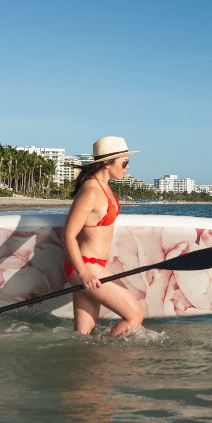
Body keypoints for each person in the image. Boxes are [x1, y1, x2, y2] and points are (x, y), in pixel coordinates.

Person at [63, 135, 144, 337]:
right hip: (86, 266)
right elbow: (68, 234)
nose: (127, 168)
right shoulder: (91, 191)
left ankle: (85, 365)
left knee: (84, 333)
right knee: (134, 316)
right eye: (124, 163)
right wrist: (83, 272)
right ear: (107, 163)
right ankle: (108, 358)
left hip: (93, 267)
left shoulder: (103, 186)